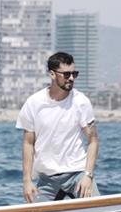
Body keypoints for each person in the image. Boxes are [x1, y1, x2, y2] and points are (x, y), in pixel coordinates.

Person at [17, 51, 100, 202]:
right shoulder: (33, 103)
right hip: (47, 179)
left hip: (78, 175)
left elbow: (93, 140)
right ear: (52, 74)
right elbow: (28, 143)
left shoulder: (81, 102)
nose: (72, 78)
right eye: (66, 74)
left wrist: (88, 175)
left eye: (74, 73)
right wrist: (27, 181)